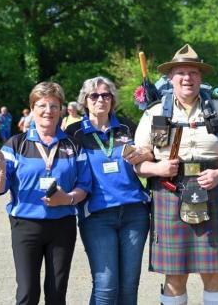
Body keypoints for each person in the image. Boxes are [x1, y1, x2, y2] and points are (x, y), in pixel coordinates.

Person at [134, 44, 218, 305]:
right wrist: (156, 168)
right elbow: (138, 163)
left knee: (213, 272)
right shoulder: (155, 112)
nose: (187, 78)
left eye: (193, 73)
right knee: (174, 275)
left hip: (213, 190)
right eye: (181, 73)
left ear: (201, 77)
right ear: (171, 78)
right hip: (169, 192)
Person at [0, 81, 92, 305]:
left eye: (54, 106)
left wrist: (68, 198)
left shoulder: (73, 145)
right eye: (42, 105)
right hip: (25, 225)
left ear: (61, 110)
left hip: (62, 225)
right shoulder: (15, 144)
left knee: (56, 293)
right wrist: (0, 169)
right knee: (27, 292)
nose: (48, 111)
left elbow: (84, 185)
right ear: (32, 109)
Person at [65, 76, 153, 305]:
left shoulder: (127, 127)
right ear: (85, 101)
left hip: (135, 213)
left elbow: (151, 150)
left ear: (113, 100)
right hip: (97, 215)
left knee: (129, 285)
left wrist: (145, 153)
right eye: (94, 96)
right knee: (106, 285)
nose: (100, 99)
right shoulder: (74, 133)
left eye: (106, 95)